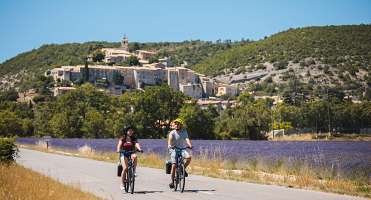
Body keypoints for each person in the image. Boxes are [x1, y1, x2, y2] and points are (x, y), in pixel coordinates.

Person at [167, 118, 193, 189]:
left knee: (189, 158)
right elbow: (170, 139)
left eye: (178, 124)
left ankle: (182, 168)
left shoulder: (184, 131)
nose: (176, 125)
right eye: (175, 124)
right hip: (174, 149)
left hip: (182, 149)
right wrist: (169, 145)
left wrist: (190, 145)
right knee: (174, 165)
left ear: (181, 125)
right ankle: (172, 182)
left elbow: (187, 139)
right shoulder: (172, 132)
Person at [116, 126, 143, 190]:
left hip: (131, 152)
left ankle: (134, 171)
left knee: (135, 156)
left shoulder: (134, 138)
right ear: (126, 131)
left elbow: (136, 144)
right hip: (123, 153)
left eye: (131, 131)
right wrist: (118, 149)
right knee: (125, 168)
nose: (131, 132)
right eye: (129, 131)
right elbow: (119, 145)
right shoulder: (123, 138)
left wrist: (139, 149)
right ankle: (122, 184)